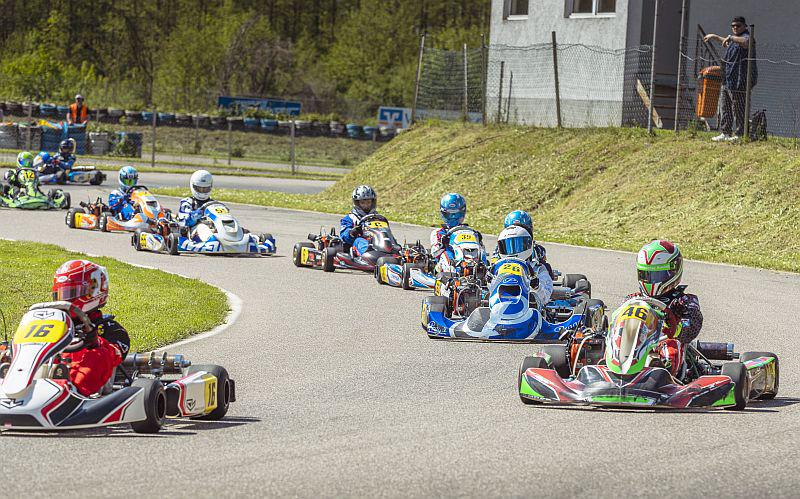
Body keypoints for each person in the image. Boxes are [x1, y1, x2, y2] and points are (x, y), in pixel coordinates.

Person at [51, 259, 131, 397]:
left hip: (87, 390)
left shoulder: (109, 328)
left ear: (94, 292)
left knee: (99, 354)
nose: (65, 300)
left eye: (71, 293)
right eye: (61, 294)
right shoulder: (55, 323)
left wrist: (94, 340)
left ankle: (73, 395)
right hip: (46, 381)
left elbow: (116, 354)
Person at [627, 240, 703, 378]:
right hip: (635, 343)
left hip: (664, 342)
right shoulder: (632, 299)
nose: (651, 281)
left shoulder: (683, 301)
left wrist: (676, 327)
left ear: (673, 271)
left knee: (671, 346)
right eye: (646, 275)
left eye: (656, 276)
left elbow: (693, 326)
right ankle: (604, 366)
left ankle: (662, 373)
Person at [704, 16, 757, 142]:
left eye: (738, 26)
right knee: (725, 107)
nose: (735, 28)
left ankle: (739, 134)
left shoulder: (747, 38)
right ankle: (725, 133)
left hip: (740, 81)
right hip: (728, 79)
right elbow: (727, 41)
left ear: (744, 26)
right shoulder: (734, 39)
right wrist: (715, 36)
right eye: (733, 26)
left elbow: (745, 42)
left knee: (738, 109)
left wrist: (731, 37)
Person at [492, 224, 554, 307]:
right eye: (508, 246)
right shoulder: (498, 270)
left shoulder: (538, 269)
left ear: (528, 244)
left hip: (529, 312)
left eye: (517, 246)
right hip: (499, 310)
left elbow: (545, 298)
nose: (513, 251)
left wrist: (536, 287)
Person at [500, 210, 554, 278]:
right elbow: (495, 263)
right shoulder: (501, 247)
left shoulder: (537, 249)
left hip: (529, 277)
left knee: (546, 267)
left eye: (522, 229)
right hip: (505, 275)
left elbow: (542, 266)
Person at [340, 185, 380, 256]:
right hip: (359, 242)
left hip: (377, 241)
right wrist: (352, 232)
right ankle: (368, 254)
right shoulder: (350, 217)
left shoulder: (378, 217)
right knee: (359, 241)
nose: (366, 206)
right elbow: (344, 235)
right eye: (363, 203)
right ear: (357, 203)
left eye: (368, 202)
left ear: (372, 202)